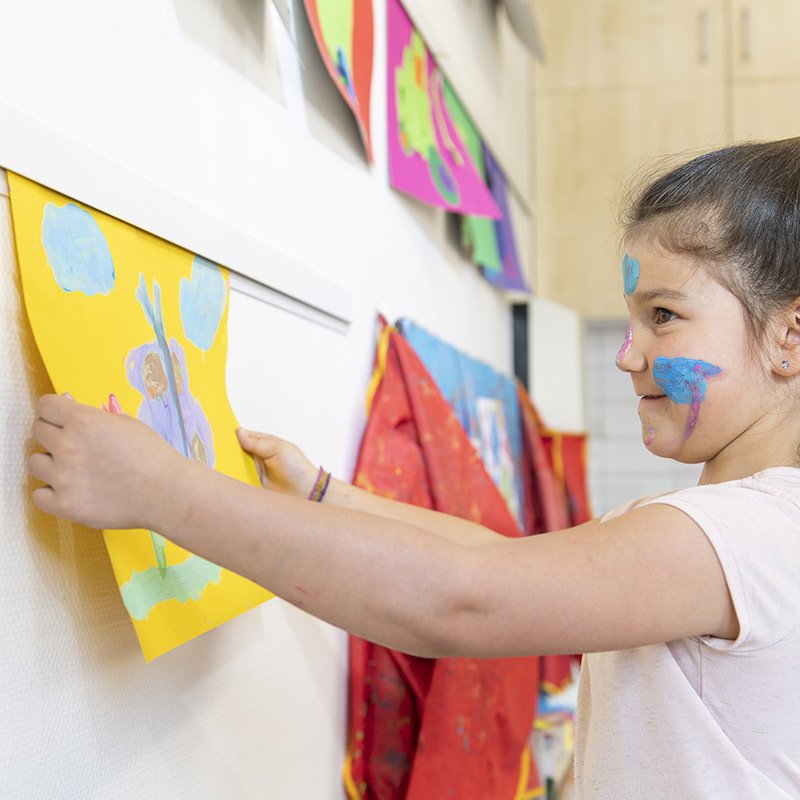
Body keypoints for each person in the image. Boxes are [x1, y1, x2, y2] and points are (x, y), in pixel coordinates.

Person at [28, 138, 800, 798]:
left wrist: (159, 489)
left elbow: (461, 602)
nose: (628, 356)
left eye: (662, 316)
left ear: (789, 337)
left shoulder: (744, 536)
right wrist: (328, 495)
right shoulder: (732, 531)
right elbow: (499, 563)